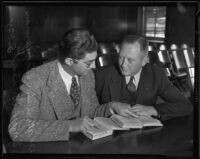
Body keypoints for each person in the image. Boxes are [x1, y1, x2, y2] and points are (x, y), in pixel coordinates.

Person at [8, 28, 120, 142]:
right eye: (88, 63)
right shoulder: (35, 79)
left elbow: (91, 112)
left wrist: (111, 107)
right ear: (69, 61)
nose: (93, 67)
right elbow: (17, 128)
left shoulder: (88, 75)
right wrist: (69, 126)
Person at [95, 35, 193, 121]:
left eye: (130, 60)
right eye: (121, 57)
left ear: (144, 60)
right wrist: (112, 107)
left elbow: (185, 105)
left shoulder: (156, 74)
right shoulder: (103, 74)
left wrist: (153, 110)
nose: (123, 64)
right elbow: (89, 111)